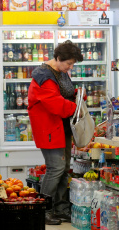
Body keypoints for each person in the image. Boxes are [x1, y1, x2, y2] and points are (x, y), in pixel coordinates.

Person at [28, 40, 83, 225]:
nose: (71, 67)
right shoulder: (43, 76)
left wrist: (77, 94)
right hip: (50, 129)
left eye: (73, 64)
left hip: (63, 128)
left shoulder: (61, 72)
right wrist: (76, 107)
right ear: (58, 58)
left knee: (64, 169)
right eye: (69, 63)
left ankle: (60, 209)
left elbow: (65, 94)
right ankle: (43, 210)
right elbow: (56, 104)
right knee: (55, 169)